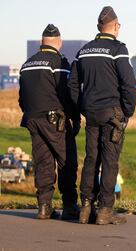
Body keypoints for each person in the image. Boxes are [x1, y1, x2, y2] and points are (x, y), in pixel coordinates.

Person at [68, 6, 136, 225]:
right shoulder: (118, 49)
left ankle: (86, 207)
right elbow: (128, 83)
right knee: (109, 161)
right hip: (112, 114)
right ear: (115, 26)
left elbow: (73, 85)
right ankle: (105, 210)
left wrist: (81, 108)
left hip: (92, 114)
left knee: (91, 160)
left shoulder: (84, 51)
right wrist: (128, 110)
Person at [18, 24, 80, 220]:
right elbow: (67, 93)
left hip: (32, 118)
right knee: (66, 162)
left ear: (41, 42)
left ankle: (44, 206)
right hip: (55, 120)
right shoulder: (58, 62)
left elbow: (22, 98)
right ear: (59, 43)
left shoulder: (27, 64)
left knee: (43, 162)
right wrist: (75, 117)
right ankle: (70, 206)